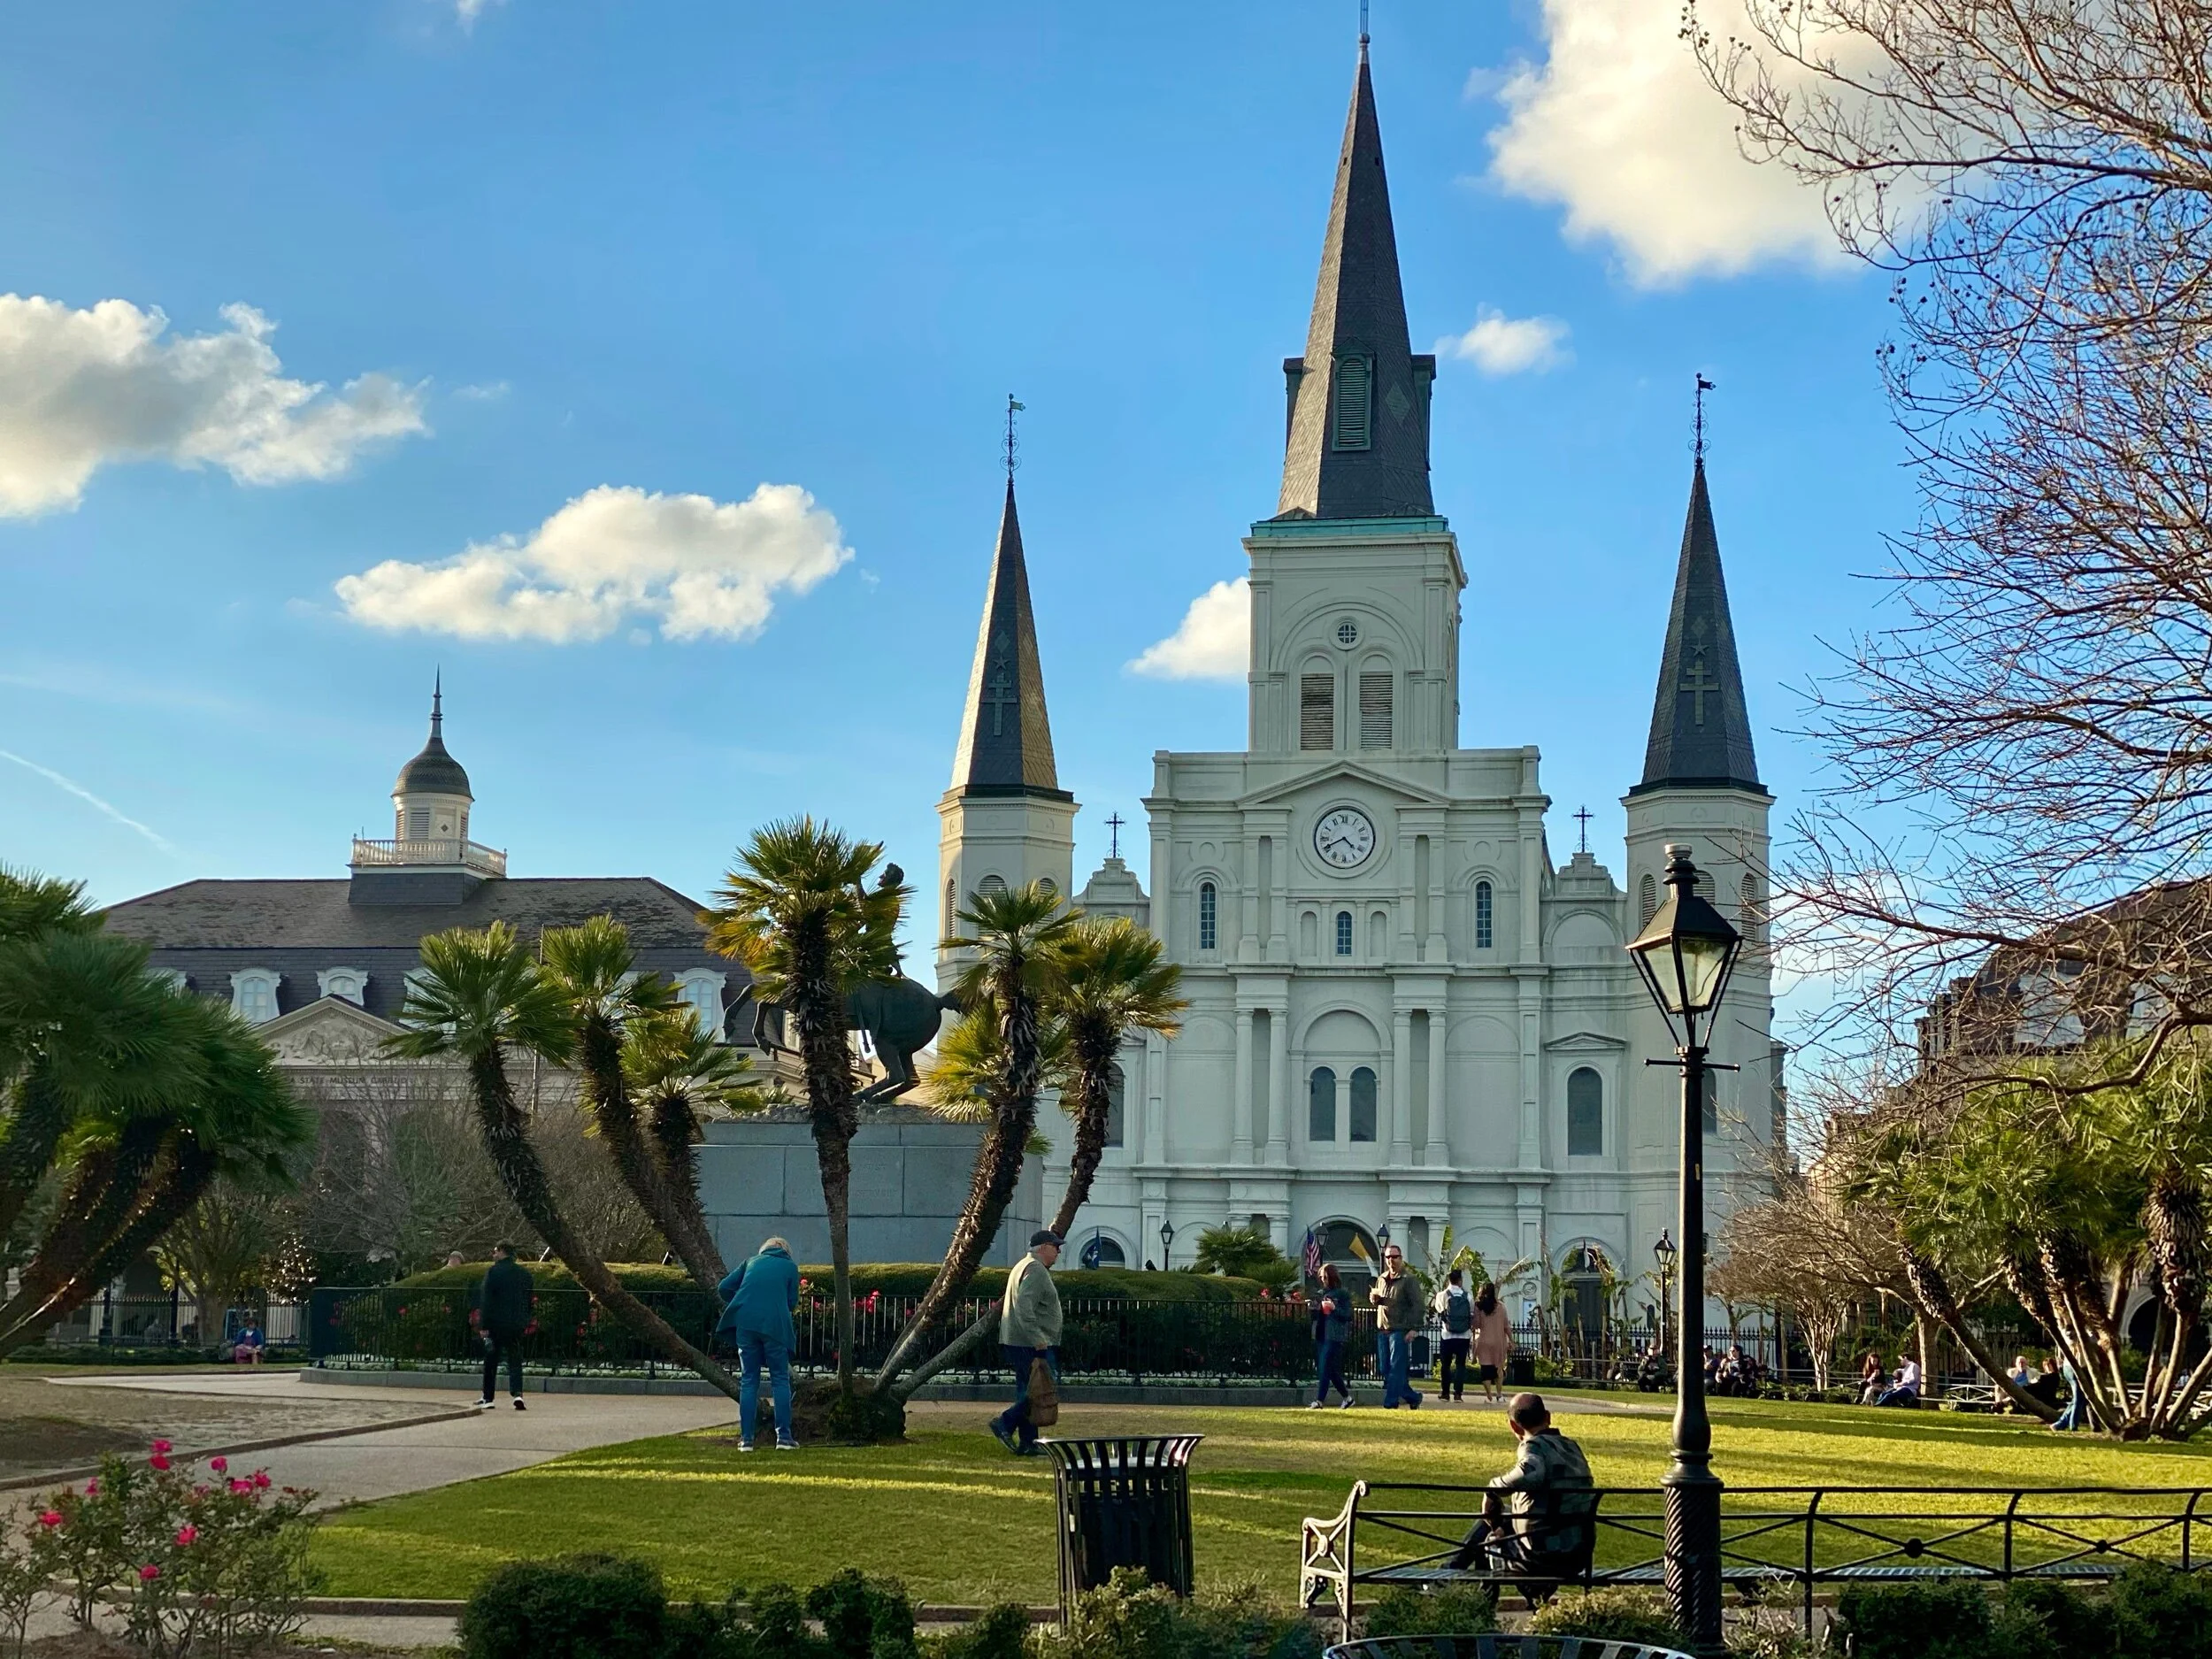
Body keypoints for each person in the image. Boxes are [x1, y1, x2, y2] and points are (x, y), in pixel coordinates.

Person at [1448, 1392, 1595, 1585]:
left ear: (1514, 1426)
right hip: (1578, 1556)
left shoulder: (1533, 1446)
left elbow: (1531, 1473)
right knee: (1505, 1515)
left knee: (1487, 1542)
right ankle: (1446, 1574)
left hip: (1542, 1557)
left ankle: (1450, 1580)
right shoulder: (1572, 1447)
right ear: (1548, 1417)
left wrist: (1492, 1489)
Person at [717, 1234, 801, 1451]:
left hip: (746, 1324)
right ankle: (783, 1437)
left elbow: (724, 1288)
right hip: (775, 1326)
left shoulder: (750, 1262)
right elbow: (792, 1302)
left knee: (749, 1380)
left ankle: (746, 1439)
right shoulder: (790, 1268)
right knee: (780, 1379)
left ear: (764, 1249)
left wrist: (744, 1299)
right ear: (785, 1251)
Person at [992, 1229, 1064, 1455]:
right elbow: (1024, 1306)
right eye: (1055, 1247)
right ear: (1042, 1247)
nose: (1058, 1252)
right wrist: (1038, 1338)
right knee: (1037, 1391)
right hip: (1030, 1343)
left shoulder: (1023, 1265)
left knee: (1028, 1389)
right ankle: (1005, 1422)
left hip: (1020, 1340)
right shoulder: (1035, 1269)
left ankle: (1028, 1442)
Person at [477, 1241, 533, 1411]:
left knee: (491, 1360)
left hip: (495, 1323)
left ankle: (488, 1397)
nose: (493, 1255)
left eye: (495, 1251)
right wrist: (525, 1320)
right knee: (515, 1359)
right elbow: (528, 1300)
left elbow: (487, 1300)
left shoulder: (493, 1272)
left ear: (501, 1252)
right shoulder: (524, 1274)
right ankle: (517, 1393)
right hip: (515, 1323)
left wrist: (483, 1325)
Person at [1371, 1244, 1424, 1409]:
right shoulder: (1382, 1278)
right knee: (1385, 1368)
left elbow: (1418, 1305)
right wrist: (1375, 1299)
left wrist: (1414, 1328)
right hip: (1383, 1328)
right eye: (1388, 1257)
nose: (1391, 1260)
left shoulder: (1409, 1280)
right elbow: (1382, 1301)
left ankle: (1390, 1402)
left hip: (1399, 1329)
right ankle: (1413, 1397)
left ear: (1401, 1259)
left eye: (1394, 1257)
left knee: (1395, 1368)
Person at [1310, 1264, 1356, 1409]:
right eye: (1321, 1277)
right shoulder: (1320, 1292)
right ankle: (1347, 1398)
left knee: (1324, 1367)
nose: (1323, 1279)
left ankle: (1319, 1400)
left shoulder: (1342, 1294)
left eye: (1325, 1277)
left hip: (1334, 1336)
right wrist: (1313, 1307)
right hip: (1321, 1334)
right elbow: (1315, 1316)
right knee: (1330, 1370)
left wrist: (1334, 1308)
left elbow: (1348, 1315)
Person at [1432, 1269, 1474, 1402]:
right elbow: (1472, 1313)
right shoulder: (1468, 1296)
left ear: (1449, 1280)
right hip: (1464, 1336)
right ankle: (1458, 1394)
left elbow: (1439, 1310)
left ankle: (1445, 1393)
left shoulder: (1442, 1295)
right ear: (1460, 1280)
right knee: (1460, 1365)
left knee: (1446, 1365)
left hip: (1447, 1335)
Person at [1471, 1279, 1513, 1403]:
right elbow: (1506, 1326)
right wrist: (1512, 1340)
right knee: (1498, 1369)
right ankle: (1499, 1394)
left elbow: (1476, 1325)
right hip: (1498, 1342)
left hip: (1484, 1341)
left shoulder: (1479, 1306)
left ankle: (1489, 1394)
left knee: (1485, 1370)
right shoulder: (1501, 1306)